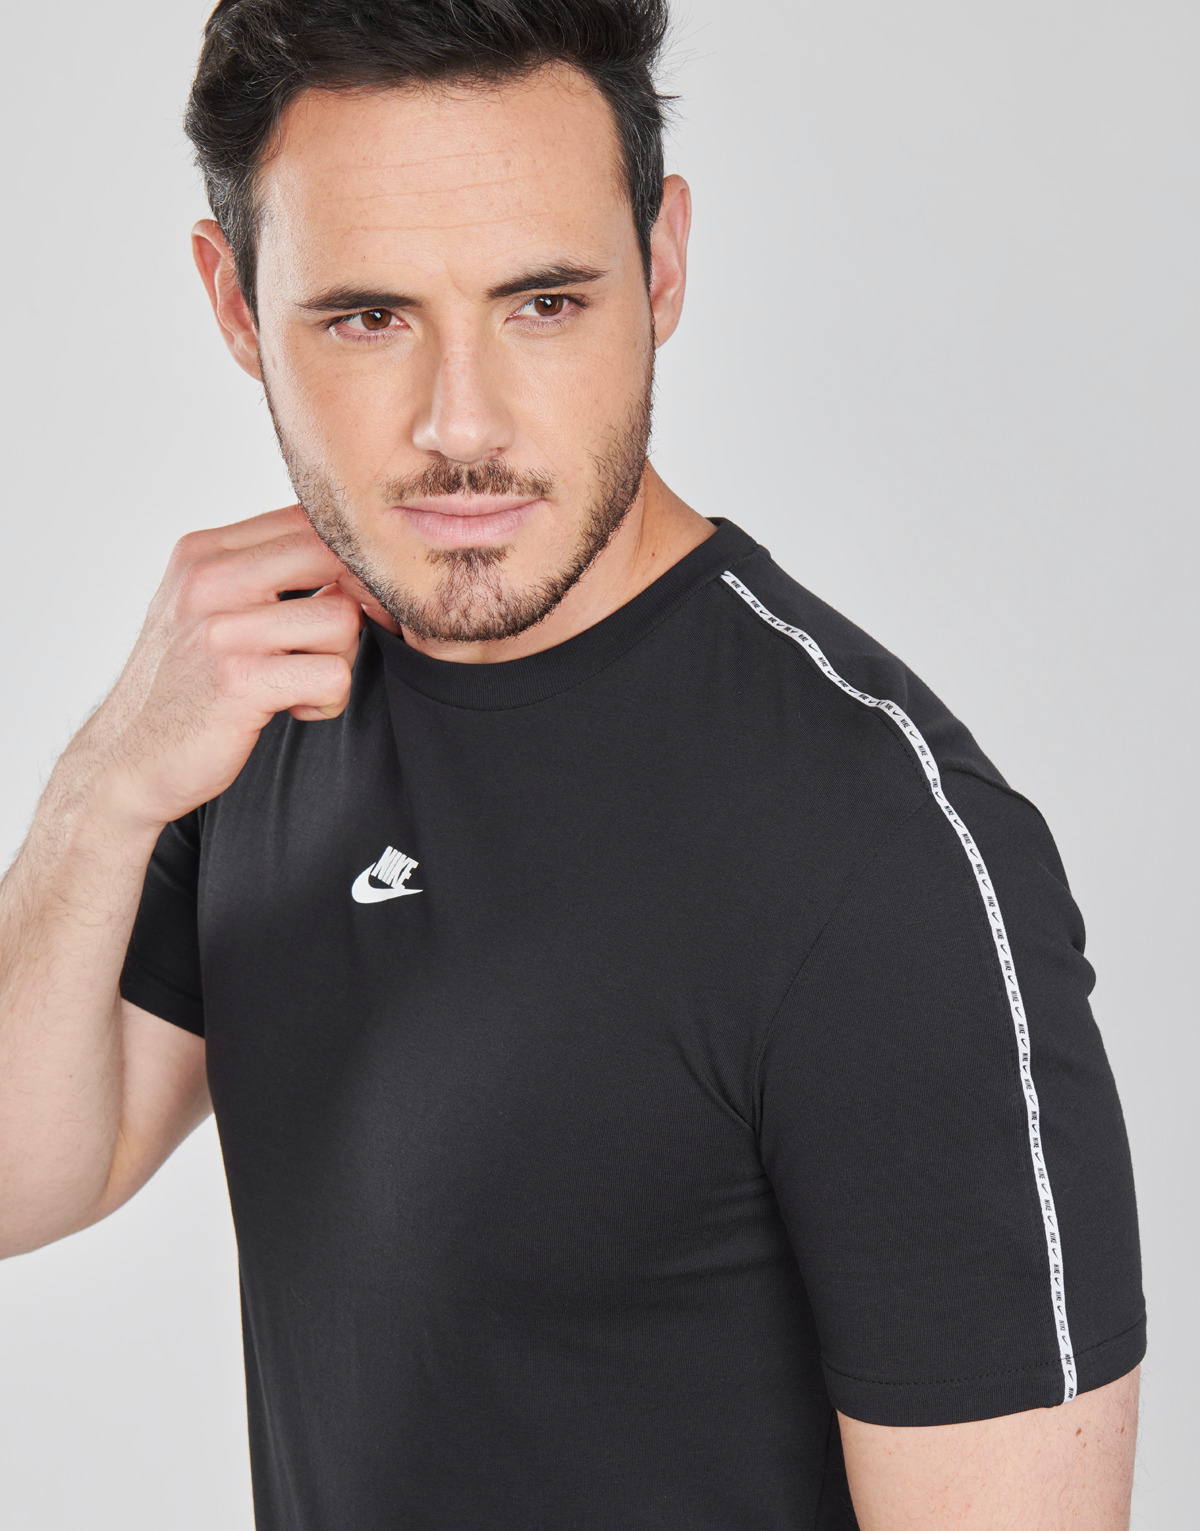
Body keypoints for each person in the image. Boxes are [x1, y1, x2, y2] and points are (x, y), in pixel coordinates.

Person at [0, 0, 1145, 1525]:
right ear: (233, 302)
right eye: (367, 317)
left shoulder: (882, 861)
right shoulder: (254, 704)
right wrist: (104, 784)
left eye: (543, 303)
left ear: (663, 265)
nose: (460, 425)